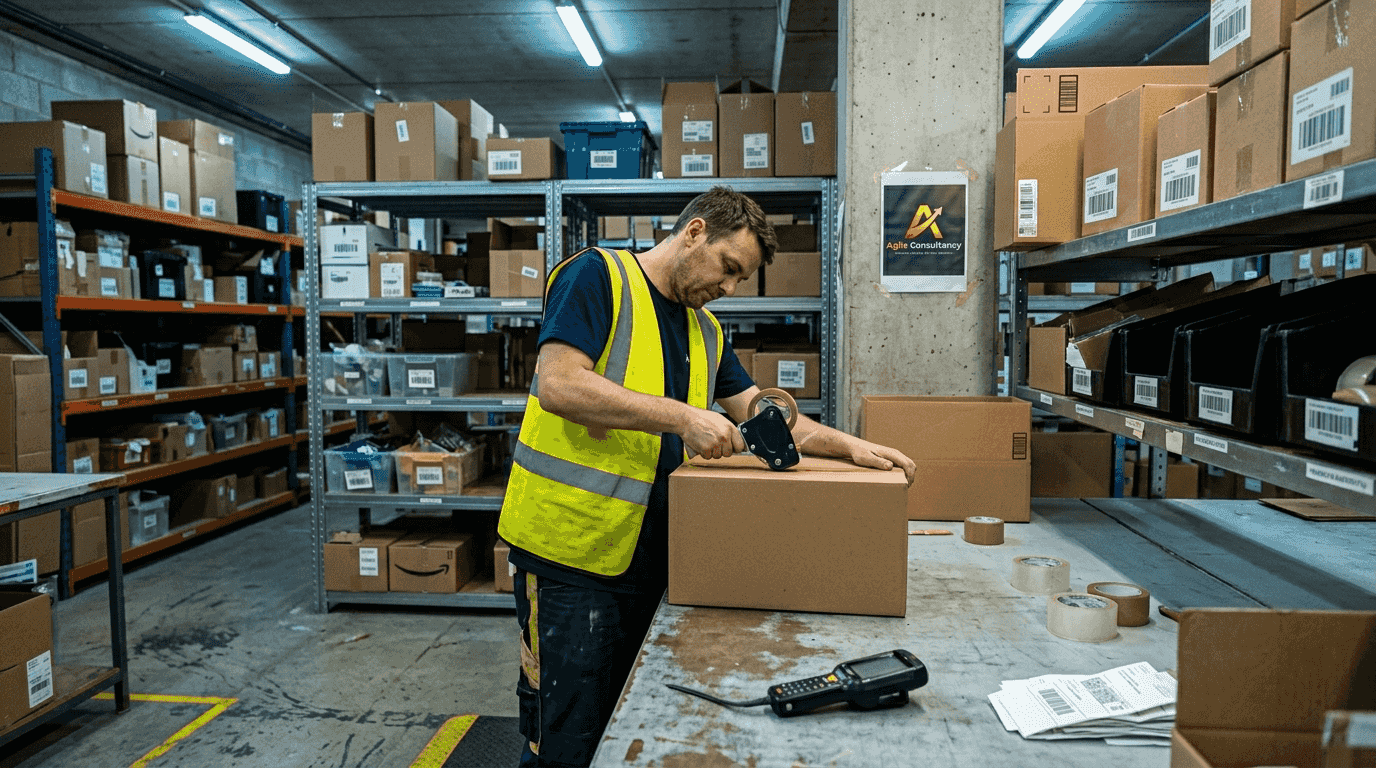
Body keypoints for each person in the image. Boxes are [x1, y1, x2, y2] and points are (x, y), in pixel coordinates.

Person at [496, 186, 917, 767]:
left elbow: (766, 418)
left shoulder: (706, 330)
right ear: (694, 232)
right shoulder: (598, 278)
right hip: (571, 559)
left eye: (740, 279)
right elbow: (559, 384)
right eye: (728, 268)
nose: (729, 289)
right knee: (565, 739)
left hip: (653, 562)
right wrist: (685, 417)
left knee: (625, 726)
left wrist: (854, 446)